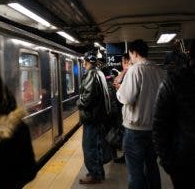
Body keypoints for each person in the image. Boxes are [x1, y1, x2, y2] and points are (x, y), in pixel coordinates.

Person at [116, 39, 163, 189]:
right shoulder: (158, 70)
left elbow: (126, 98)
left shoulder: (136, 70)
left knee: (135, 172)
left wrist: (119, 90)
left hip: (135, 130)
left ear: (134, 53)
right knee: (152, 167)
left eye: (130, 54)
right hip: (154, 129)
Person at [152, 40, 195, 189]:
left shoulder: (171, 84)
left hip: (184, 161)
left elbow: (159, 127)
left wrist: (168, 163)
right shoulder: (172, 83)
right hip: (184, 163)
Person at [77, 50, 111, 184]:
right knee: (97, 146)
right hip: (98, 117)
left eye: (84, 61)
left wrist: (78, 102)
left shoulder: (91, 74)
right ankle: (98, 172)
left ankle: (94, 174)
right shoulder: (100, 73)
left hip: (91, 117)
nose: (83, 64)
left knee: (89, 146)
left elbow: (87, 99)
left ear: (86, 62)